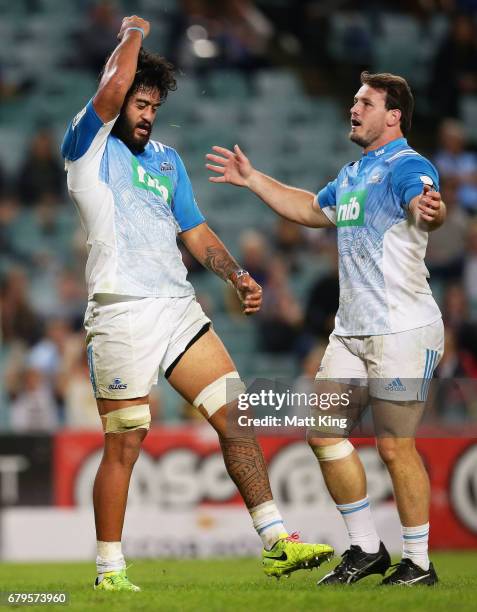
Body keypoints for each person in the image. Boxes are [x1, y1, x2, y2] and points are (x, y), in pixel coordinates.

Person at [60, 15, 333, 592]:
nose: (147, 114)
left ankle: (276, 541)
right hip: (120, 311)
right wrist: (133, 30)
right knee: (127, 441)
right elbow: (110, 91)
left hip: (178, 308)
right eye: (140, 102)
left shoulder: (166, 160)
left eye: (154, 106)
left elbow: (197, 233)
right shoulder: (86, 146)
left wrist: (237, 274)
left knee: (236, 415)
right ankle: (110, 570)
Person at [207, 71, 446, 587]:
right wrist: (254, 180)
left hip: (403, 330)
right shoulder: (354, 173)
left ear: (393, 115)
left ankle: (419, 564)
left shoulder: (408, 165)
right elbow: (310, 208)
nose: (353, 109)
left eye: (365, 102)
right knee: (323, 433)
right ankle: (366, 549)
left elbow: (426, 202)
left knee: (394, 446)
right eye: (353, 101)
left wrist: (430, 208)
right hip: (352, 333)